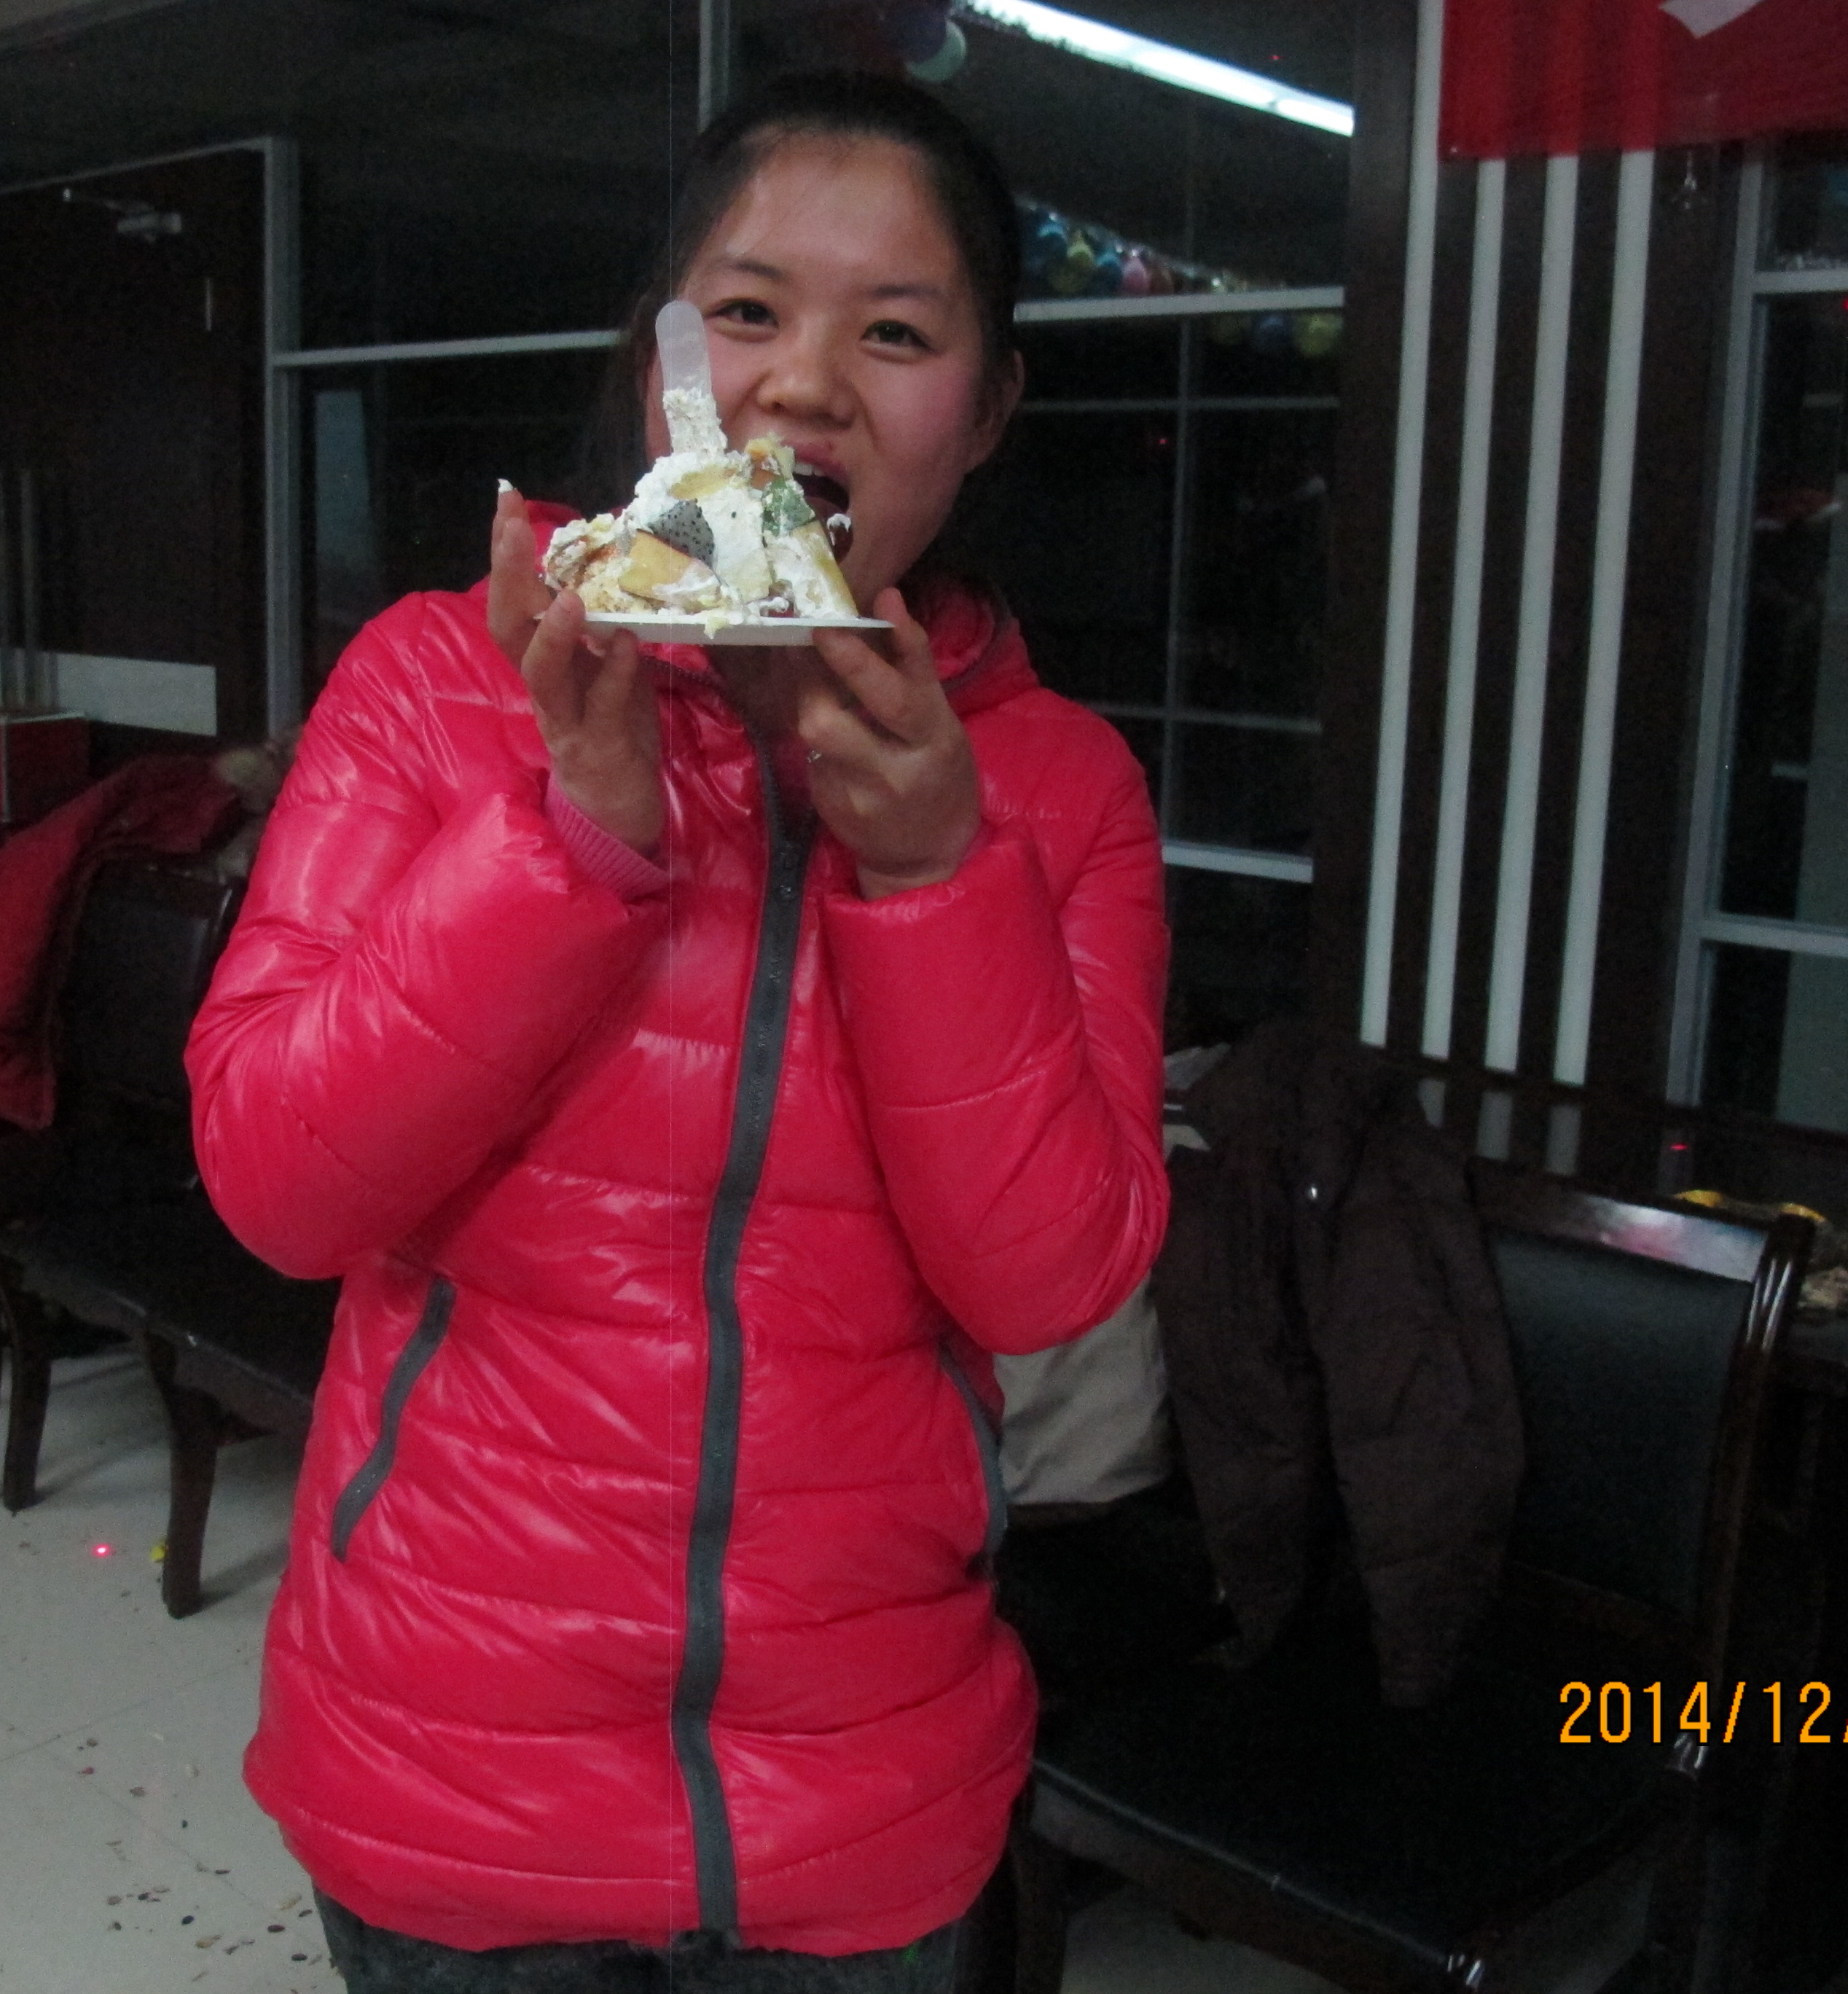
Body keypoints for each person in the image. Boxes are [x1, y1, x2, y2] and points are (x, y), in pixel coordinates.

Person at [186, 69, 1167, 1993]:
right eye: (748, 311)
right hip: (452, 1761)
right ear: (662, 371)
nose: (807, 385)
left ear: (986, 412)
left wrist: (935, 876)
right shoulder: (434, 684)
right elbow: (277, 1187)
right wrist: (571, 835)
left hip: (862, 1791)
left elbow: (1046, 1280)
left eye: (897, 334)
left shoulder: (1057, 791)